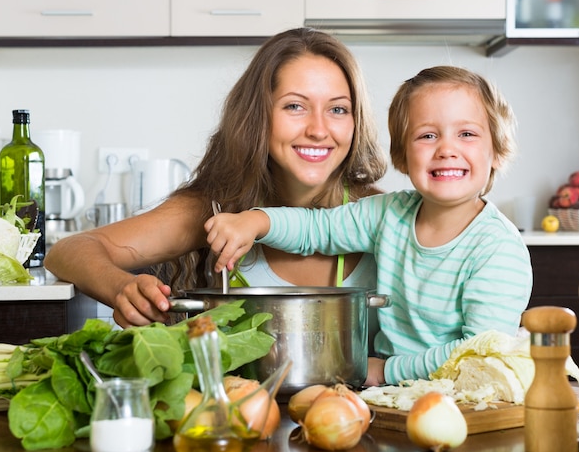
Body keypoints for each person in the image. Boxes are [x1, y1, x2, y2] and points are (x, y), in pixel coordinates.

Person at [204, 65, 534, 386]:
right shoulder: (389, 214)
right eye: (428, 135)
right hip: (393, 396)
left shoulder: (497, 248)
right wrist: (256, 221)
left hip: (465, 401)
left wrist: (387, 370)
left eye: (467, 134)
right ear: (403, 156)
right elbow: (318, 229)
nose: (447, 150)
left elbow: (478, 354)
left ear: (497, 151)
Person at [44, 27, 387, 329]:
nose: (318, 129)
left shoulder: (385, 216)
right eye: (295, 106)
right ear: (258, 117)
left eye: (338, 109)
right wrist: (121, 288)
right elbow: (67, 251)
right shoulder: (215, 209)